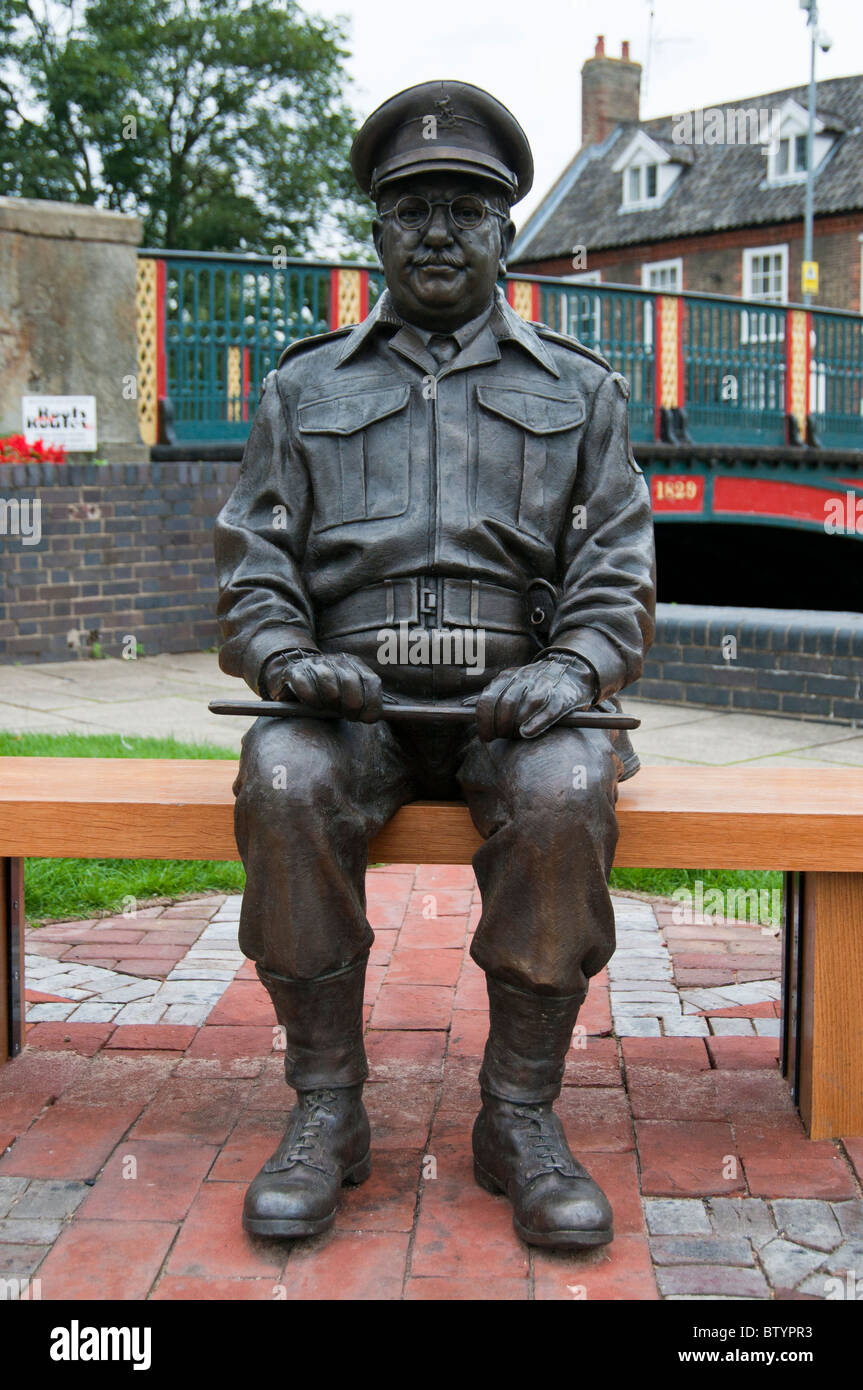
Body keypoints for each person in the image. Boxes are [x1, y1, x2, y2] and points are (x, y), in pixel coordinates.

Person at [214, 80, 656, 1250]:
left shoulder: (579, 389)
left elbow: (617, 568)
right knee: (282, 778)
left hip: (517, 701)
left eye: (465, 209)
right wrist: (285, 656)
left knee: (565, 795)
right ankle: (327, 1108)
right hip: (349, 701)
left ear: (507, 229)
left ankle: (518, 1116)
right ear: (375, 231)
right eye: (411, 210)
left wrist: (570, 671)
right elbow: (251, 561)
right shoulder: (302, 386)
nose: (438, 233)